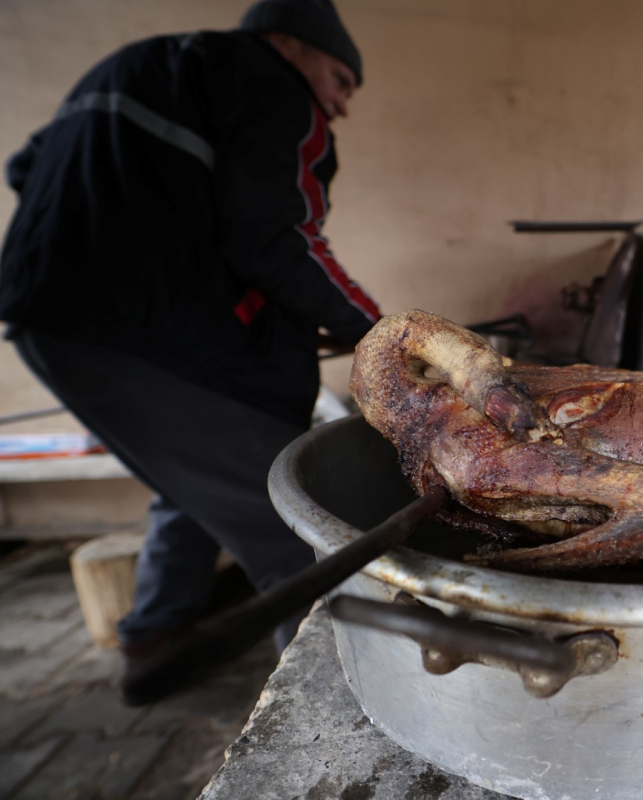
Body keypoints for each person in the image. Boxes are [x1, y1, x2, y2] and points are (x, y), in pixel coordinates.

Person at [0, 0, 381, 701]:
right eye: (339, 80)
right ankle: (335, 710)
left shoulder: (133, 67)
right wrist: (384, 334)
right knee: (296, 529)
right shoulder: (269, 83)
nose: (340, 105)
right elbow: (280, 235)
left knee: (195, 474)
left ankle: (154, 635)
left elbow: (27, 166)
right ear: (287, 44)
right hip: (158, 334)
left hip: (45, 312)